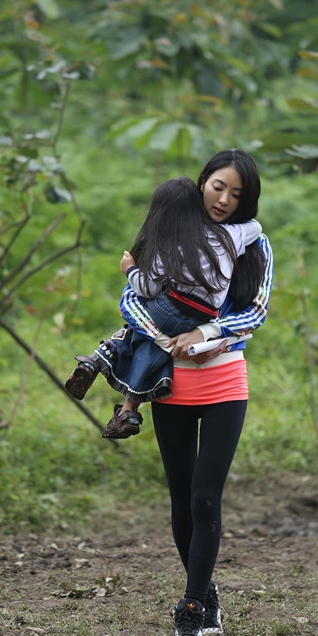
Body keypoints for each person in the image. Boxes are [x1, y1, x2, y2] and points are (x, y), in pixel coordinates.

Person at [119, 149, 273, 636]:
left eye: (237, 193)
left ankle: (187, 611)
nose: (225, 199)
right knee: (182, 499)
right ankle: (206, 595)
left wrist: (208, 331)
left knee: (207, 495)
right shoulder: (173, 228)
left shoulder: (254, 243)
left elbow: (255, 313)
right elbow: (132, 300)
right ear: (202, 182)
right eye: (218, 187)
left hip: (225, 380)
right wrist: (166, 341)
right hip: (173, 384)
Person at [65, 176, 262, 440]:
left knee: (138, 332)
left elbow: (144, 289)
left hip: (170, 309)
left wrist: (131, 270)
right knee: (151, 344)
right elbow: (256, 228)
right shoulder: (228, 235)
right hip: (202, 316)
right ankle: (128, 409)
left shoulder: (168, 246)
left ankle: (99, 361)